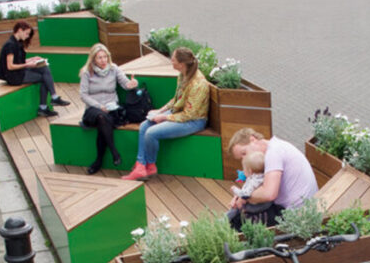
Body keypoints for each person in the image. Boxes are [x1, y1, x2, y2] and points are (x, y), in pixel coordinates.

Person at [121, 47, 209, 181]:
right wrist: (160, 110)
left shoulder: (198, 84)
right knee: (145, 125)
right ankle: (140, 167)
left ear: (181, 64)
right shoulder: (183, 74)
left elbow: (189, 115)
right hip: (179, 112)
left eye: (173, 60)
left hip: (194, 121)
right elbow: (177, 99)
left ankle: (150, 165)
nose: (171, 62)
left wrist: (164, 117)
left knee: (151, 133)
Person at [225, 127, 318, 228]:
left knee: (239, 223)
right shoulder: (275, 147)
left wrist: (245, 197)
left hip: (298, 215)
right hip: (305, 206)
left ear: (252, 139)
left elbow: (269, 194)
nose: (244, 160)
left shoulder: (273, 154)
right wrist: (242, 195)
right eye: (241, 158)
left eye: (244, 153)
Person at [79, 43, 138, 174]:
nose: (103, 60)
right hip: (94, 109)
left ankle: (98, 161)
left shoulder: (114, 69)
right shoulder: (87, 73)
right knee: (101, 117)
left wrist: (132, 84)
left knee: (103, 123)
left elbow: (125, 83)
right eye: (99, 58)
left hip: (112, 108)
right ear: (93, 59)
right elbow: (83, 95)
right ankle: (114, 152)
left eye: (105, 57)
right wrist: (99, 106)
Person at [0, 21, 70, 118]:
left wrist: (32, 59)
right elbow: (10, 66)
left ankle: (51, 101)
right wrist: (28, 65)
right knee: (44, 78)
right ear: (19, 30)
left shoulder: (17, 43)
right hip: (14, 76)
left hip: (19, 72)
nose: (27, 36)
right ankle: (47, 103)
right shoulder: (10, 45)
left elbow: (18, 61)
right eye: (26, 33)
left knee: (44, 67)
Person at [225, 151, 273, 222]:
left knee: (236, 208)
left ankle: (225, 220)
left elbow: (245, 195)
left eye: (244, 169)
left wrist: (234, 189)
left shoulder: (254, 182)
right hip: (265, 203)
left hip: (256, 206)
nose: (243, 171)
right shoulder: (262, 176)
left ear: (250, 171)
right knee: (238, 201)